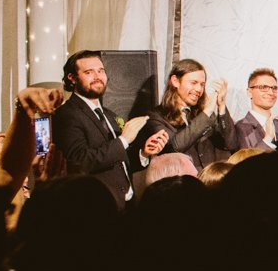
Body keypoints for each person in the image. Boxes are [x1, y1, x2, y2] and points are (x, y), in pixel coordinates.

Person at [52, 49, 167, 206]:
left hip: (126, 205)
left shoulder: (109, 114)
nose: (97, 76)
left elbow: (117, 161)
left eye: (101, 71)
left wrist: (144, 152)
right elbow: (79, 162)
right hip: (97, 206)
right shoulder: (66, 114)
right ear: (72, 78)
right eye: (89, 72)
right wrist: (123, 140)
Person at [138, 58, 236, 172]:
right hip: (182, 180)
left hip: (210, 179)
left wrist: (222, 106)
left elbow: (231, 144)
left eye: (202, 84)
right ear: (175, 81)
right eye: (193, 83)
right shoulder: (156, 116)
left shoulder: (203, 113)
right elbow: (174, 147)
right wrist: (207, 112)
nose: (199, 89)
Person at [232, 67, 278, 155]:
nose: (271, 92)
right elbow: (245, 161)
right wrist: (267, 139)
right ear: (250, 92)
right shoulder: (241, 127)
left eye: (274, 88)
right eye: (263, 87)